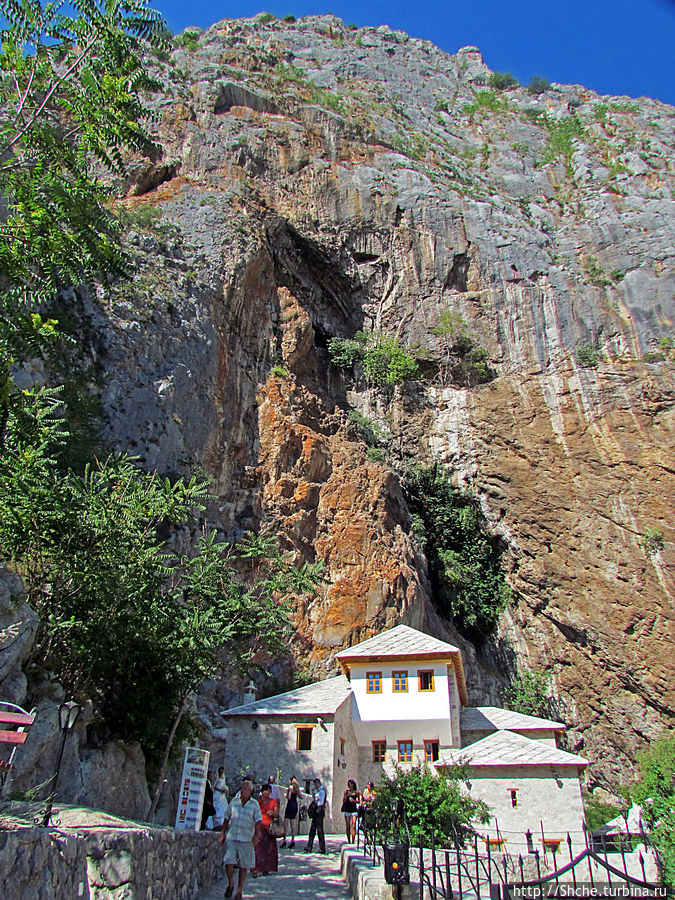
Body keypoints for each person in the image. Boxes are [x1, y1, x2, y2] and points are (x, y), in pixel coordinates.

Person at [218, 779, 262, 900]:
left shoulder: (254, 805)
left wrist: (255, 837)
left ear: (250, 791)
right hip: (232, 836)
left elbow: (258, 821)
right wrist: (222, 833)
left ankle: (239, 890)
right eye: (242, 788)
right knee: (228, 861)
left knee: (244, 865)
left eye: (244, 788)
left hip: (246, 838)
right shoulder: (234, 801)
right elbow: (227, 817)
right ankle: (231, 883)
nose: (242, 790)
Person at [252, 783, 280, 876]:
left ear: (270, 792)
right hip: (259, 827)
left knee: (269, 849)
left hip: (269, 827)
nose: (266, 793)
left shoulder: (273, 802)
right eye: (264, 791)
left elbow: (277, 814)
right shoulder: (258, 802)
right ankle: (257, 868)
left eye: (268, 791)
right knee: (258, 849)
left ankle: (266, 868)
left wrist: (272, 812)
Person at [304, 777, 326, 854]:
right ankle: (309, 846)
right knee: (313, 830)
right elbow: (314, 799)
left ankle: (322, 848)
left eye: (315, 784)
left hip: (319, 811)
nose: (315, 785)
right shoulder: (318, 791)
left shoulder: (321, 791)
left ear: (318, 784)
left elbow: (320, 802)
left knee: (319, 830)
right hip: (317, 811)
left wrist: (317, 806)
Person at [280, 775, 300, 848]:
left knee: (286, 823)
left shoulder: (290, 788)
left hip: (290, 805)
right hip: (295, 805)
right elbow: (300, 796)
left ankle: (284, 840)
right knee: (293, 824)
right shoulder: (297, 788)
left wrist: (285, 795)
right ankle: (292, 840)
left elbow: (289, 797)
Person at [342, 778, 360, 843]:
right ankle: (349, 840)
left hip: (354, 809)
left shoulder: (356, 792)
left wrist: (353, 800)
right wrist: (346, 796)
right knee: (348, 825)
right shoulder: (346, 792)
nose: (349, 785)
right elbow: (343, 801)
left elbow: (359, 801)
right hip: (347, 809)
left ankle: (353, 840)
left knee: (354, 824)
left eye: (350, 784)